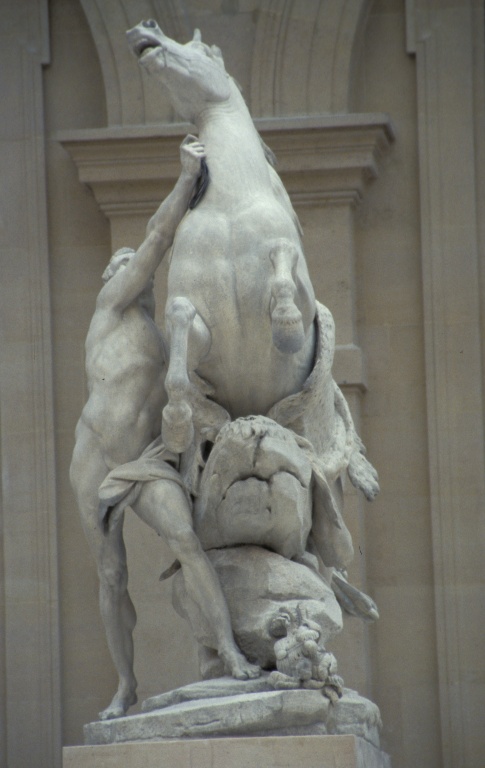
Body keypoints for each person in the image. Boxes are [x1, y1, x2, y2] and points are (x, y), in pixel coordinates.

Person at [70, 136, 258, 721]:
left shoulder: (162, 332)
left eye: (135, 267)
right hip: (96, 455)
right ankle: (126, 687)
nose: (137, 270)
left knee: (186, 542)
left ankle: (227, 650)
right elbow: (155, 240)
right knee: (111, 574)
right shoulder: (110, 308)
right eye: (123, 264)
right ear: (112, 276)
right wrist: (185, 180)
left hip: (147, 459)